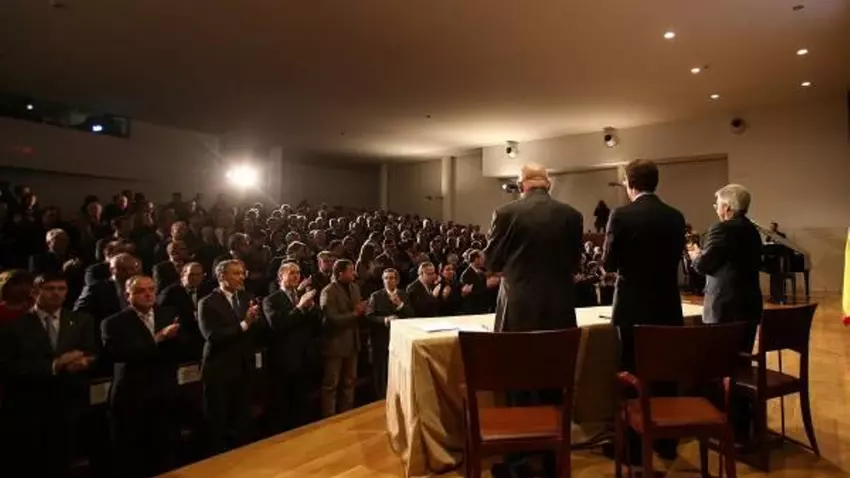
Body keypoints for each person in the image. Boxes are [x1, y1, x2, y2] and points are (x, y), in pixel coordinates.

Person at [602, 159, 686, 464]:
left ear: (630, 183)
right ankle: (666, 442)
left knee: (631, 373)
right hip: (667, 303)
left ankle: (634, 448)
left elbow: (609, 263)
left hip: (632, 306)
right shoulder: (675, 216)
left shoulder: (621, 215)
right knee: (665, 371)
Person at [688, 184, 764, 441]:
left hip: (725, 306)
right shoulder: (753, 230)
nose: (716, 209)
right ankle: (745, 426)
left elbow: (704, 265)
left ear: (728, 207)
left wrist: (696, 255)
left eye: (717, 204)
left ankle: (726, 424)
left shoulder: (722, 229)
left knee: (720, 366)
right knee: (740, 365)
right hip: (749, 305)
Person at [0, 273, 95, 478]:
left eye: (61, 289)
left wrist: (84, 362)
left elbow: (90, 352)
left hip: (68, 402)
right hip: (31, 405)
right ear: (35, 292)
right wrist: (56, 365)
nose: (56, 293)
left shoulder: (81, 320)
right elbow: (9, 367)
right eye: (50, 289)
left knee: (64, 462)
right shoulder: (15, 326)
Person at [483, 163, 584, 332]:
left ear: (521, 186)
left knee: (518, 349)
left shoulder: (505, 213)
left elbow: (491, 261)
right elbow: (575, 263)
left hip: (518, 304)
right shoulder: (573, 215)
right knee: (559, 348)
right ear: (548, 185)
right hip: (559, 305)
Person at [101, 275, 181, 478]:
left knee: (164, 450)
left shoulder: (168, 314)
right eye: (140, 291)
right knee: (132, 455)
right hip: (132, 395)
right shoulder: (113, 323)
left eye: (151, 289)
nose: (148, 294)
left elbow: (180, 347)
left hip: (163, 391)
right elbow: (120, 354)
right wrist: (159, 338)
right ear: (128, 295)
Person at [198, 259, 262, 453]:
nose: (241, 277)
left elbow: (254, 331)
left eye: (242, 273)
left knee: (242, 417)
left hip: (243, 366)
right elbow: (213, 336)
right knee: (218, 421)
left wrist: (256, 321)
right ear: (221, 276)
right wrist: (245, 324)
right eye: (236, 273)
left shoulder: (246, 297)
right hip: (219, 369)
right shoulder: (207, 302)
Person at [263, 262, 321, 432]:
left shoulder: (302, 296)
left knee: (303, 401)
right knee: (284, 403)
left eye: (298, 273)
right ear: (281, 276)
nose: (296, 276)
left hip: (305, 357)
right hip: (285, 359)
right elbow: (278, 325)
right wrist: (300, 308)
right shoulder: (271, 300)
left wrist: (312, 309)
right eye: (292, 273)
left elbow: (318, 325)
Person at [320, 259, 366, 417]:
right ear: (340, 273)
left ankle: (347, 414)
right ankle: (329, 417)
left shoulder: (355, 288)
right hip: (335, 343)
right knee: (331, 384)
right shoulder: (328, 291)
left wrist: (363, 310)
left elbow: (357, 310)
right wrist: (355, 313)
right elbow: (331, 319)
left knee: (350, 381)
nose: (354, 273)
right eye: (351, 270)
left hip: (352, 341)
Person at [366, 268, 413, 398]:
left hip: (399, 339)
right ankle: (381, 398)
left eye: (391, 278)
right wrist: (385, 320)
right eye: (386, 278)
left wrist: (400, 304)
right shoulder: (376, 296)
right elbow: (369, 316)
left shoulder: (404, 295)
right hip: (381, 340)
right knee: (381, 372)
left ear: (397, 280)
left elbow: (411, 314)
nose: (388, 281)